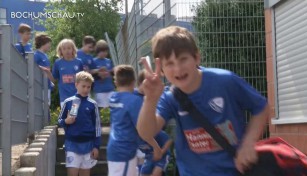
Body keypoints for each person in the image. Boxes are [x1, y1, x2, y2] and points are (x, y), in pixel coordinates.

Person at [136, 26, 269, 176]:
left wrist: (248, 144)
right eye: (170, 64)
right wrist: (150, 100)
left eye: (183, 59)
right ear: (161, 70)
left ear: (196, 57)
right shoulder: (170, 98)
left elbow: (261, 107)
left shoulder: (225, 81)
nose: (178, 69)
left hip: (235, 171)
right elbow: (147, 133)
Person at [107, 65, 162, 176]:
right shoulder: (134, 101)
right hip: (124, 152)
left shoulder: (112, 97)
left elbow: (129, 94)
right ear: (133, 82)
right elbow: (143, 131)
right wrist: (156, 147)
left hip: (116, 149)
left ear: (116, 83)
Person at [58, 71, 101, 176]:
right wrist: (66, 121)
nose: (86, 89)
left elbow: (97, 127)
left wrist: (96, 146)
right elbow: (59, 121)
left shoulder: (93, 104)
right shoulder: (68, 102)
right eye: (83, 86)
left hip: (88, 145)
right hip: (72, 144)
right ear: (76, 85)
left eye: (88, 87)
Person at [135, 70, 172, 176]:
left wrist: (160, 150)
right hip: (149, 154)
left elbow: (168, 139)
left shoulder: (162, 94)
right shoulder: (134, 96)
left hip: (160, 144)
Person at [40, 39, 84, 107]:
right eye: (64, 49)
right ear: (60, 51)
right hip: (64, 98)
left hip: (77, 97)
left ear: (73, 49)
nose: (67, 50)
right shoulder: (58, 63)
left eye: (69, 48)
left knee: (76, 116)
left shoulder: (79, 62)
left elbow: (83, 79)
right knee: (67, 117)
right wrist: (48, 72)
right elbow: (54, 79)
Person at [90, 40, 114, 110]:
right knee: (101, 111)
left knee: (111, 109)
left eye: (106, 51)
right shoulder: (94, 61)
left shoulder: (108, 61)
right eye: (102, 51)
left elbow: (111, 72)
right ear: (98, 51)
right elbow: (90, 72)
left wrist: (110, 72)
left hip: (110, 89)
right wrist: (99, 71)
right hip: (99, 91)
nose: (104, 53)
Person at [34, 33, 53, 106]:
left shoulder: (45, 55)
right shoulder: (36, 55)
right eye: (48, 43)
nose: (50, 45)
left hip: (47, 86)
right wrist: (44, 69)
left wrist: (50, 82)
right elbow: (32, 66)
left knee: (47, 107)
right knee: (42, 108)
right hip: (40, 87)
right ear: (43, 43)